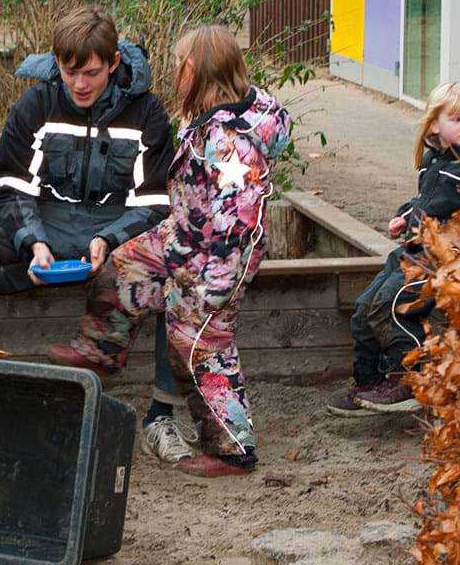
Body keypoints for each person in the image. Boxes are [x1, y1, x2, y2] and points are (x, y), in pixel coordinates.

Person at [46, 26, 289, 477]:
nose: (174, 73)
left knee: (198, 344)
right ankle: (101, 349)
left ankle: (233, 449)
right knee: (125, 264)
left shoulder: (231, 142)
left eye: (179, 66)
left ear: (193, 70)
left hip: (218, 257)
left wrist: (215, 287)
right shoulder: (208, 115)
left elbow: (241, 221)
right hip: (185, 234)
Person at [0, 7, 174, 344]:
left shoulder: (148, 112)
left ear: (113, 63)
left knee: (170, 262)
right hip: (43, 227)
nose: (80, 84)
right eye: (70, 72)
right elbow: (10, 188)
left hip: (110, 237)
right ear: (57, 62)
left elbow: (154, 205)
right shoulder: (36, 103)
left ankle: (120, 370)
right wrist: (32, 241)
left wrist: (108, 240)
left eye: (91, 73)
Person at [328, 82, 460, 418]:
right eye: (456, 118)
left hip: (443, 257)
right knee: (364, 306)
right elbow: (429, 202)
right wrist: (406, 214)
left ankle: (411, 380)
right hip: (416, 248)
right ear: (434, 125)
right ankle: (368, 381)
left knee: (394, 304)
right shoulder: (436, 160)